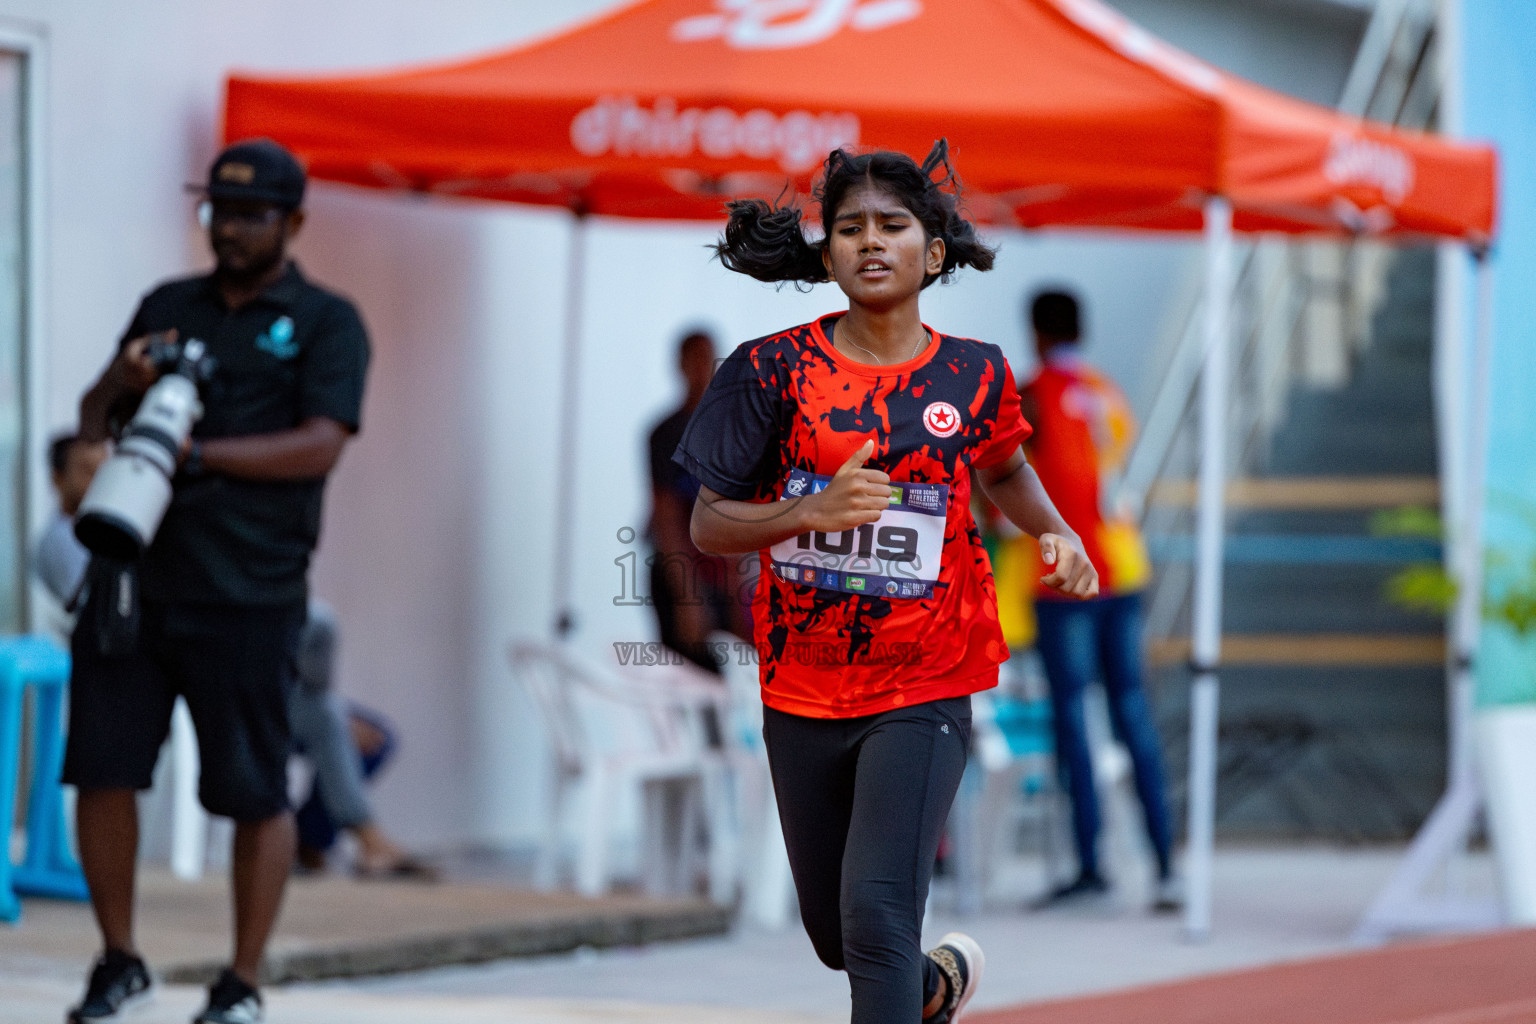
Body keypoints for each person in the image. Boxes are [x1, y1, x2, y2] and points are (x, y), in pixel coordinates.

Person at [677, 140, 1097, 1024]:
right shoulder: (768, 371)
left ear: (932, 251)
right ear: (825, 251)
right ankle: (934, 989)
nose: (872, 242)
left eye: (894, 226)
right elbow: (708, 523)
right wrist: (809, 513)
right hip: (801, 684)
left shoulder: (975, 373)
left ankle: (909, 983)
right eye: (850, 228)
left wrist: (1056, 533)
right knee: (839, 935)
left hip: (927, 677)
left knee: (876, 919)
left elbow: (1005, 469)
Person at [65, 138, 369, 1024]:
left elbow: (323, 443)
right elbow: (92, 424)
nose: (229, 230)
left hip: (251, 589)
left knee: (252, 787)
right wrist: (120, 382)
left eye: (249, 215)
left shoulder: (326, 321)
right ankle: (119, 959)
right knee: (102, 771)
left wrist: (197, 453)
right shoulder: (168, 305)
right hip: (133, 579)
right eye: (219, 212)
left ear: (293, 222)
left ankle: (240, 982)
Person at [1019, 289, 1180, 912]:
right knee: (1133, 717)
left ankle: (1091, 866)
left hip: (1068, 574)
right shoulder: (1107, 391)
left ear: (1036, 332)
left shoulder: (1034, 394)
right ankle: (1165, 864)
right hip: (1124, 568)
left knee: (1073, 721)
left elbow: (1030, 482)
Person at [288, 600, 436, 880]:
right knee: (328, 718)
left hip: (292, 700)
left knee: (374, 737)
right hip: (237, 696)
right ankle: (369, 841)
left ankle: (311, 839)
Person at [646, 330, 750, 672]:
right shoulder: (665, 434)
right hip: (682, 572)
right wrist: (687, 596)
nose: (700, 367)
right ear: (680, 365)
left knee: (732, 676)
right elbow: (666, 517)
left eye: (707, 358)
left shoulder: (732, 431)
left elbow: (740, 513)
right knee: (688, 676)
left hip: (723, 570)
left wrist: (739, 594)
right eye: (693, 358)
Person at [34, 433, 109, 612]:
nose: (98, 479)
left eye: (104, 470)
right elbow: (93, 607)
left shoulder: (100, 530)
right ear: (58, 478)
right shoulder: (60, 539)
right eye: (87, 471)